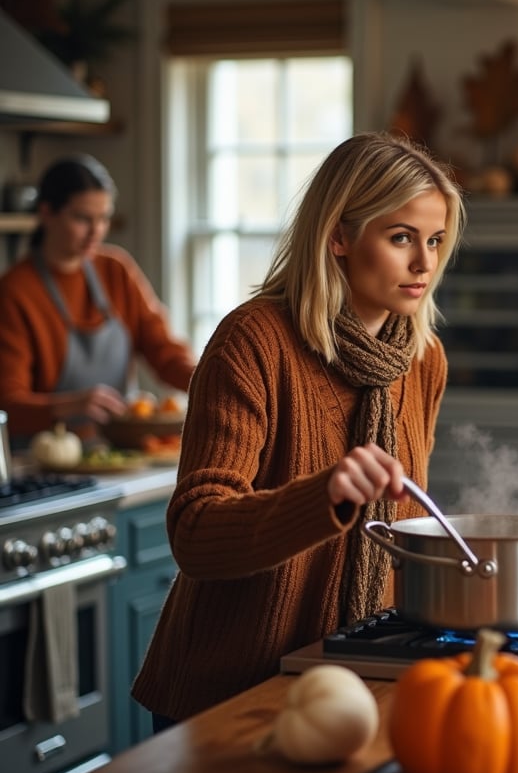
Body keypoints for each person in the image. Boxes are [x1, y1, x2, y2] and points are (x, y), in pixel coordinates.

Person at [131, 131, 466, 731]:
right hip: (232, 692)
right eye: (401, 238)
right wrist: (325, 497)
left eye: (436, 240)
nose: (425, 263)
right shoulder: (254, 343)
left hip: (359, 680)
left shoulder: (422, 359)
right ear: (338, 235)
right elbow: (195, 530)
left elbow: (400, 531)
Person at [0, 154, 195, 444]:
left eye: (104, 218)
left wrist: (211, 380)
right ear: (47, 213)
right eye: (82, 218)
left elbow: (164, 352)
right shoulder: (16, 290)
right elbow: (8, 405)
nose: (96, 231)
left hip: (118, 451)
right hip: (43, 459)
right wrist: (69, 406)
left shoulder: (116, 270)